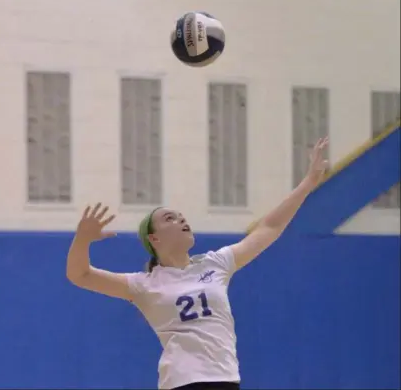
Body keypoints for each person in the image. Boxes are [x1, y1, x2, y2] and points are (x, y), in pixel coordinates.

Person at [66, 138, 329, 390]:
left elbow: (269, 227)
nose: (181, 220)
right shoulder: (144, 284)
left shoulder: (216, 264)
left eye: (182, 217)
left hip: (226, 378)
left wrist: (308, 183)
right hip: (182, 382)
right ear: (154, 238)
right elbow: (81, 275)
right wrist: (82, 240)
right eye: (170, 218)